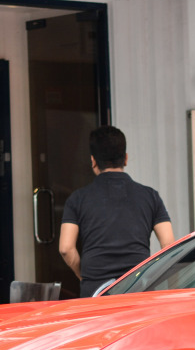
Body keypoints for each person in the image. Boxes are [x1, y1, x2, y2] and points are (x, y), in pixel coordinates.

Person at [59, 125, 174, 296]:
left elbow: (66, 248)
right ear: (126, 159)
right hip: (138, 287)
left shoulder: (77, 199)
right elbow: (169, 245)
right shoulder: (150, 196)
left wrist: (83, 275)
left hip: (95, 290)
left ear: (93, 161)